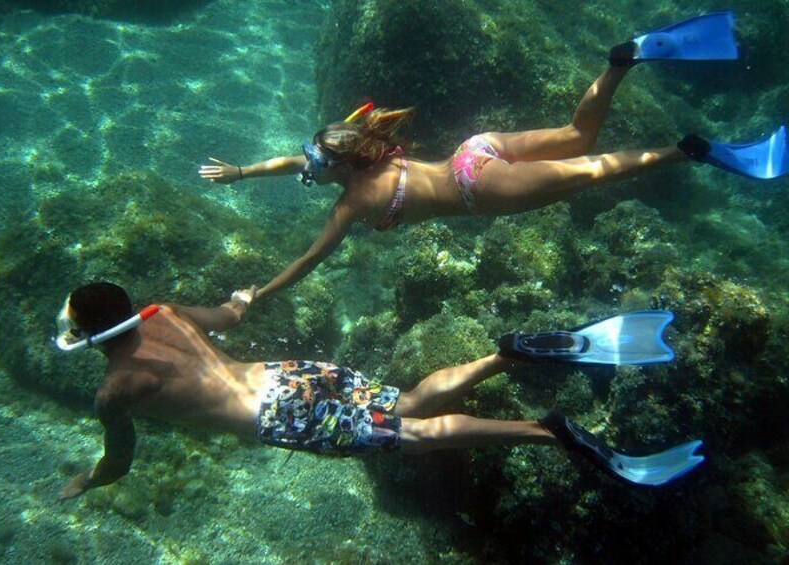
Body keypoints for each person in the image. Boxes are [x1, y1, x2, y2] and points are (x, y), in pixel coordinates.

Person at [199, 11, 787, 301]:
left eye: (314, 162)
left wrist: (259, 293)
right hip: (473, 151)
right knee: (576, 136)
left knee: (590, 171)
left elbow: (308, 262)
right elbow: (290, 162)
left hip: (480, 190)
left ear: (342, 167)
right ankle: (621, 60)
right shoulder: (369, 158)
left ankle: (687, 151)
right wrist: (243, 172)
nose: (307, 166)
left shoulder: (352, 203)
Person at [55, 282, 702, 500]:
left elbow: (120, 461)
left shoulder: (114, 390)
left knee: (413, 436)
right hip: (290, 373)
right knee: (407, 402)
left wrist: (90, 479)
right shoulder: (163, 312)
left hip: (275, 415)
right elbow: (228, 316)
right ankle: (504, 355)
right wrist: (238, 297)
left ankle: (548, 432)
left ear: (89, 334)